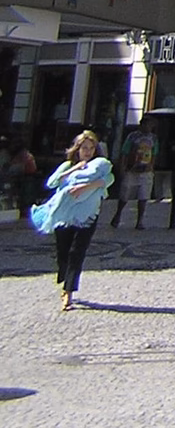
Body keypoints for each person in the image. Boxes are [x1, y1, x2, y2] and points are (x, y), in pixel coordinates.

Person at [32, 130, 113, 311]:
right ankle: (64, 276)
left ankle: (68, 291)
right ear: (77, 149)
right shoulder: (68, 165)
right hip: (64, 215)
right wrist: (74, 169)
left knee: (77, 253)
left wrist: (86, 186)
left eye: (91, 148)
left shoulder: (99, 167)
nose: (88, 152)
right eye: (84, 148)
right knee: (63, 252)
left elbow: (108, 180)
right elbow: (52, 183)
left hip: (87, 216)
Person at [110, 121, 158, 230]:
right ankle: (118, 214)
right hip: (131, 169)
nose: (147, 127)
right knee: (125, 194)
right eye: (145, 124)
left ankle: (140, 221)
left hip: (145, 170)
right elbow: (125, 152)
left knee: (143, 196)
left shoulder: (153, 138)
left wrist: (151, 166)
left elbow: (154, 153)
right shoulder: (132, 136)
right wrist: (123, 167)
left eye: (150, 125)